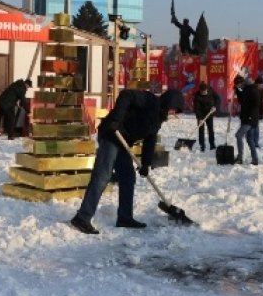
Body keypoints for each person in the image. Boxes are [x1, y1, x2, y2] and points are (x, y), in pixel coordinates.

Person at [69, 88, 185, 234]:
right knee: (103, 175)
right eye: (174, 109)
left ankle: (124, 217)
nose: (174, 113)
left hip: (123, 141)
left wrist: (146, 163)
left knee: (128, 177)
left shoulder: (158, 118)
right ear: (169, 102)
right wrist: (116, 120)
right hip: (112, 134)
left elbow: (150, 139)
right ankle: (82, 217)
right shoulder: (149, 100)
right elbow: (126, 94)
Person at [233, 75, 260, 165]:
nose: (239, 87)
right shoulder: (246, 89)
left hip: (250, 119)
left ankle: (240, 157)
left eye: (238, 85)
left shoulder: (252, 90)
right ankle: (255, 159)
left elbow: (256, 104)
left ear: (242, 83)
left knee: (238, 135)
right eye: (237, 86)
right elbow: (242, 100)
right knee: (249, 139)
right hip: (247, 118)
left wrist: (251, 116)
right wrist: (237, 91)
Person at [193, 82, 219, 152]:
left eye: (204, 91)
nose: (203, 93)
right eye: (202, 92)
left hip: (210, 113)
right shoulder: (197, 96)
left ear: (207, 90)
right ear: (200, 91)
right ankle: (202, 146)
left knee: (210, 129)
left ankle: (212, 145)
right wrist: (200, 118)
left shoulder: (211, 91)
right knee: (201, 130)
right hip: (200, 114)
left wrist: (215, 106)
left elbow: (218, 99)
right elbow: (196, 108)